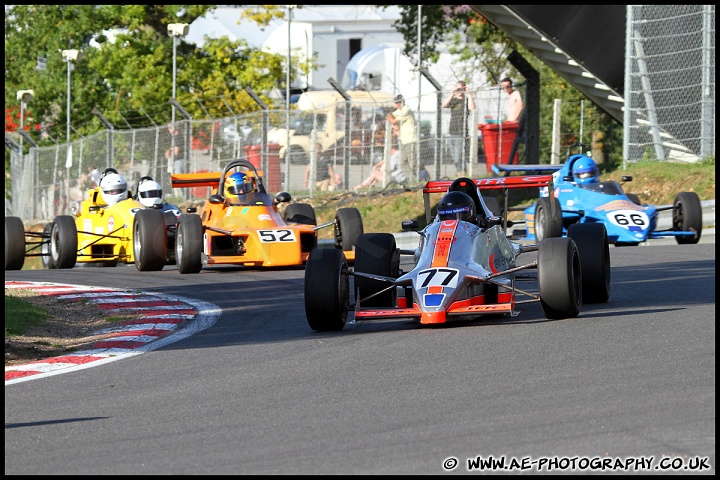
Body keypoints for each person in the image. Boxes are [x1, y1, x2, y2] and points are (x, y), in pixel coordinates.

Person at [443, 81, 476, 176]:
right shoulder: (453, 100)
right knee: (454, 157)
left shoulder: (466, 100)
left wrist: (469, 94)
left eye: (460, 88)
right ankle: (460, 175)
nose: (459, 90)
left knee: (458, 157)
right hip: (452, 131)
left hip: (461, 132)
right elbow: (444, 105)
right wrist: (452, 93)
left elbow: (472, 108)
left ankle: (463, 174)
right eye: (457, 88)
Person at [386, 94, 417, 183]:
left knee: (412, 162)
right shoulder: (399, 110)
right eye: (396, 103)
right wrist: (390, 116)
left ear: (402, 102)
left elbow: (393, 120)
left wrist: (391, 118)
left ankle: (416, 179)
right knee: (403, 162)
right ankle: (411, 180)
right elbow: (390, 115)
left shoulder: (406, 110)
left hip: (411, 139)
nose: (397, 105)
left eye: (399, 102)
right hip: (404, 140)